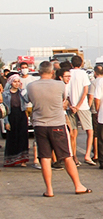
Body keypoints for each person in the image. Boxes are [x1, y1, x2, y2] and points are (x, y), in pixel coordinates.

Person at [26, 61, 91, 196]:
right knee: (67, 156)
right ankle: (78, 185)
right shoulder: (60, 85)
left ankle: (49, 189)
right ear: (52, 72)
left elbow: (29, 100)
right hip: (57, 124)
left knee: (45, 157)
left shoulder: (31, 86)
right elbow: (63, 99)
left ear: (39, 72)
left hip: (40, 125)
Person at [66, 55, 94, 165]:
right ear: (81, 64)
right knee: (90, 131)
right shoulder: (83, 74)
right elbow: (85, 91)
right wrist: (78, 105)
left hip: (70, 106)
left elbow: (66, 91)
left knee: (73, 133)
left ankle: (74, 156)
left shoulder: (68, 74)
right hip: (83, 107)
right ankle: (87, 155)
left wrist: (72, 105)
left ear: (71, 64)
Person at [3, 74, 30, 167]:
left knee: (23, 137)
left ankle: (23, 160)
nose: (17, 84)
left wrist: (23, 91)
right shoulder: (6, 94)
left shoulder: (21, 92)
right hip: (11, 116)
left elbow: (27, 100)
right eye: (15, 82)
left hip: (21, 115)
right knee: (12, 138)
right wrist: (6, 122)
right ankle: (11, 160)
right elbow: (5, 110)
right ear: (11, 82)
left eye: (18, 81)